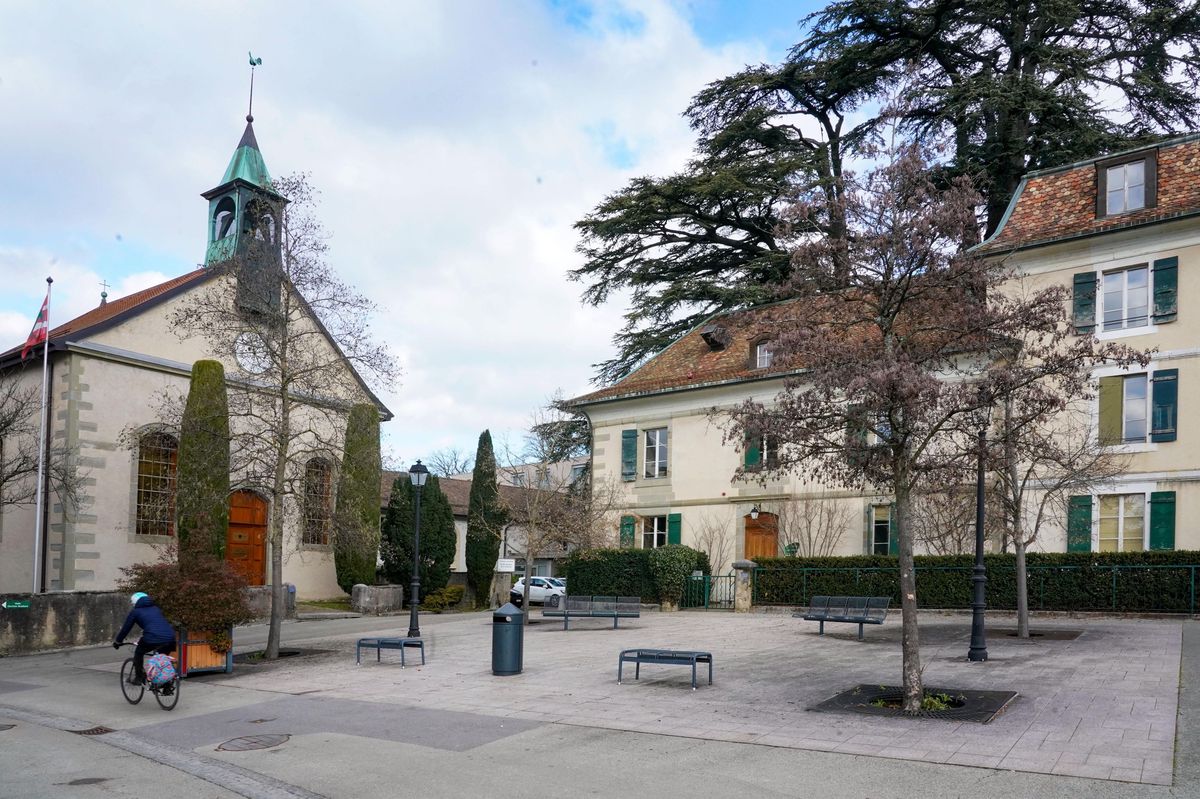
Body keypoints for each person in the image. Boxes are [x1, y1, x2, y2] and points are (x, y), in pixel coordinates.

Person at [114, 592, 176, 690]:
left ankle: (138, 678)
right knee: (162, 659)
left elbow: (126, 628)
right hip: (170, 638)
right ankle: (166, 685)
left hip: (152, 638)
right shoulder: (156, 608)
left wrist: (118, 641)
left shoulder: (136, 612)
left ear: (135, 602)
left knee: (138, 653)